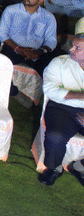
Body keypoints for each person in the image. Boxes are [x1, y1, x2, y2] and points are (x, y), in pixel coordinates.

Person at [38, 35, 84, 186]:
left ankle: (79, 166)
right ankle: (54, 168)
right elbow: (50, 90)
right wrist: (80, 96)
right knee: (55, 136)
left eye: (77, 48)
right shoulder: (59, 62)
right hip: (61, 108)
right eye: (73, 45)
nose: (71, 49)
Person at [0, 0, 58, 76]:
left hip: (37, 52)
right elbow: (1, 33)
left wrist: (39, 52)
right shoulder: (11, 10)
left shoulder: (48, 16)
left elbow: (51, 40)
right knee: (2, 72)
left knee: (49, 73)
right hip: (13, 48)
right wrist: (18, 49)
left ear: (41, 0)